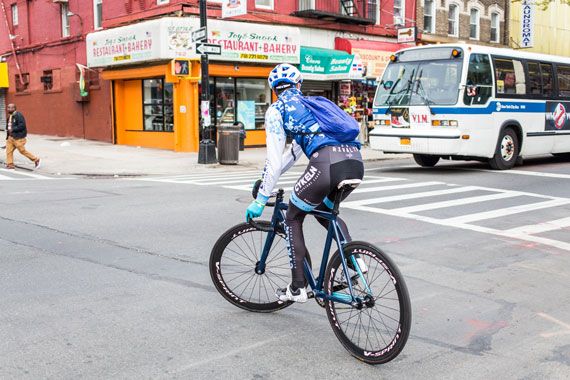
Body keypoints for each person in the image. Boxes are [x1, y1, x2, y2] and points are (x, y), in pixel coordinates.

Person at [245, 63, 364, 303]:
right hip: (354, 162)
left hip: (327, 163)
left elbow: (275, 160)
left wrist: (260, 199)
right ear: (299, 84)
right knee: (323, 210)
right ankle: (355, 259)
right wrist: (268, 182)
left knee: (292, 216)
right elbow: (292, 155)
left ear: (274, 90)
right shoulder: (314, 107)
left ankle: (297, 287)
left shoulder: (278, 110)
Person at [5, 103, 40, 170]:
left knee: (22, 151)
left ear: (15, 108)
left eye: (11, 107)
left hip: (18, 137)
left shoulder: (19, 115)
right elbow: (9, 126)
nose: (9, 109)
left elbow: (22, 126)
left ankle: (36, 159)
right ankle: (10, 164)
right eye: (8, 107)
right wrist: (8, 134)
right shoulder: (10, 116)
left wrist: (13, 129)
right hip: (10, 137)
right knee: (8, 151)